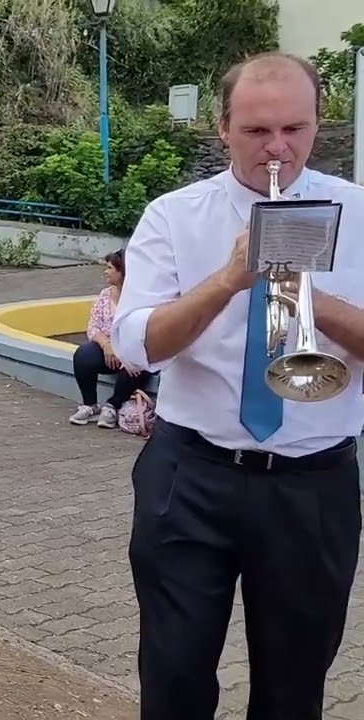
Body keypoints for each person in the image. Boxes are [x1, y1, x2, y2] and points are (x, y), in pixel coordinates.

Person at [111, 51, 364, 720]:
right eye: (256, 131)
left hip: (313, 483)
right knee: (174, 677)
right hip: (191, 475)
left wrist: (308, 294)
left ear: (318, 125)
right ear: (221, 128)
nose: (277, 148)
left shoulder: (359, 213)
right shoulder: (174, 216)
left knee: (293, 689)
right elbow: (137, 344)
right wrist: (231, 278)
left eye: (295, 129)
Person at [68, 249, 151, 427]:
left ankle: (113, 405)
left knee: (136, 364)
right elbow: (93, 326)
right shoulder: (105, 295)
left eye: (109, 268)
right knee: (83, 355)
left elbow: (146, 331)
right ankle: (90, 405)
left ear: (123, 272)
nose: (105, 272)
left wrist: (125, 352)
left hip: (132, 351)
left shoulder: (143, 298)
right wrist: (106, 345)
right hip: (109, 351)